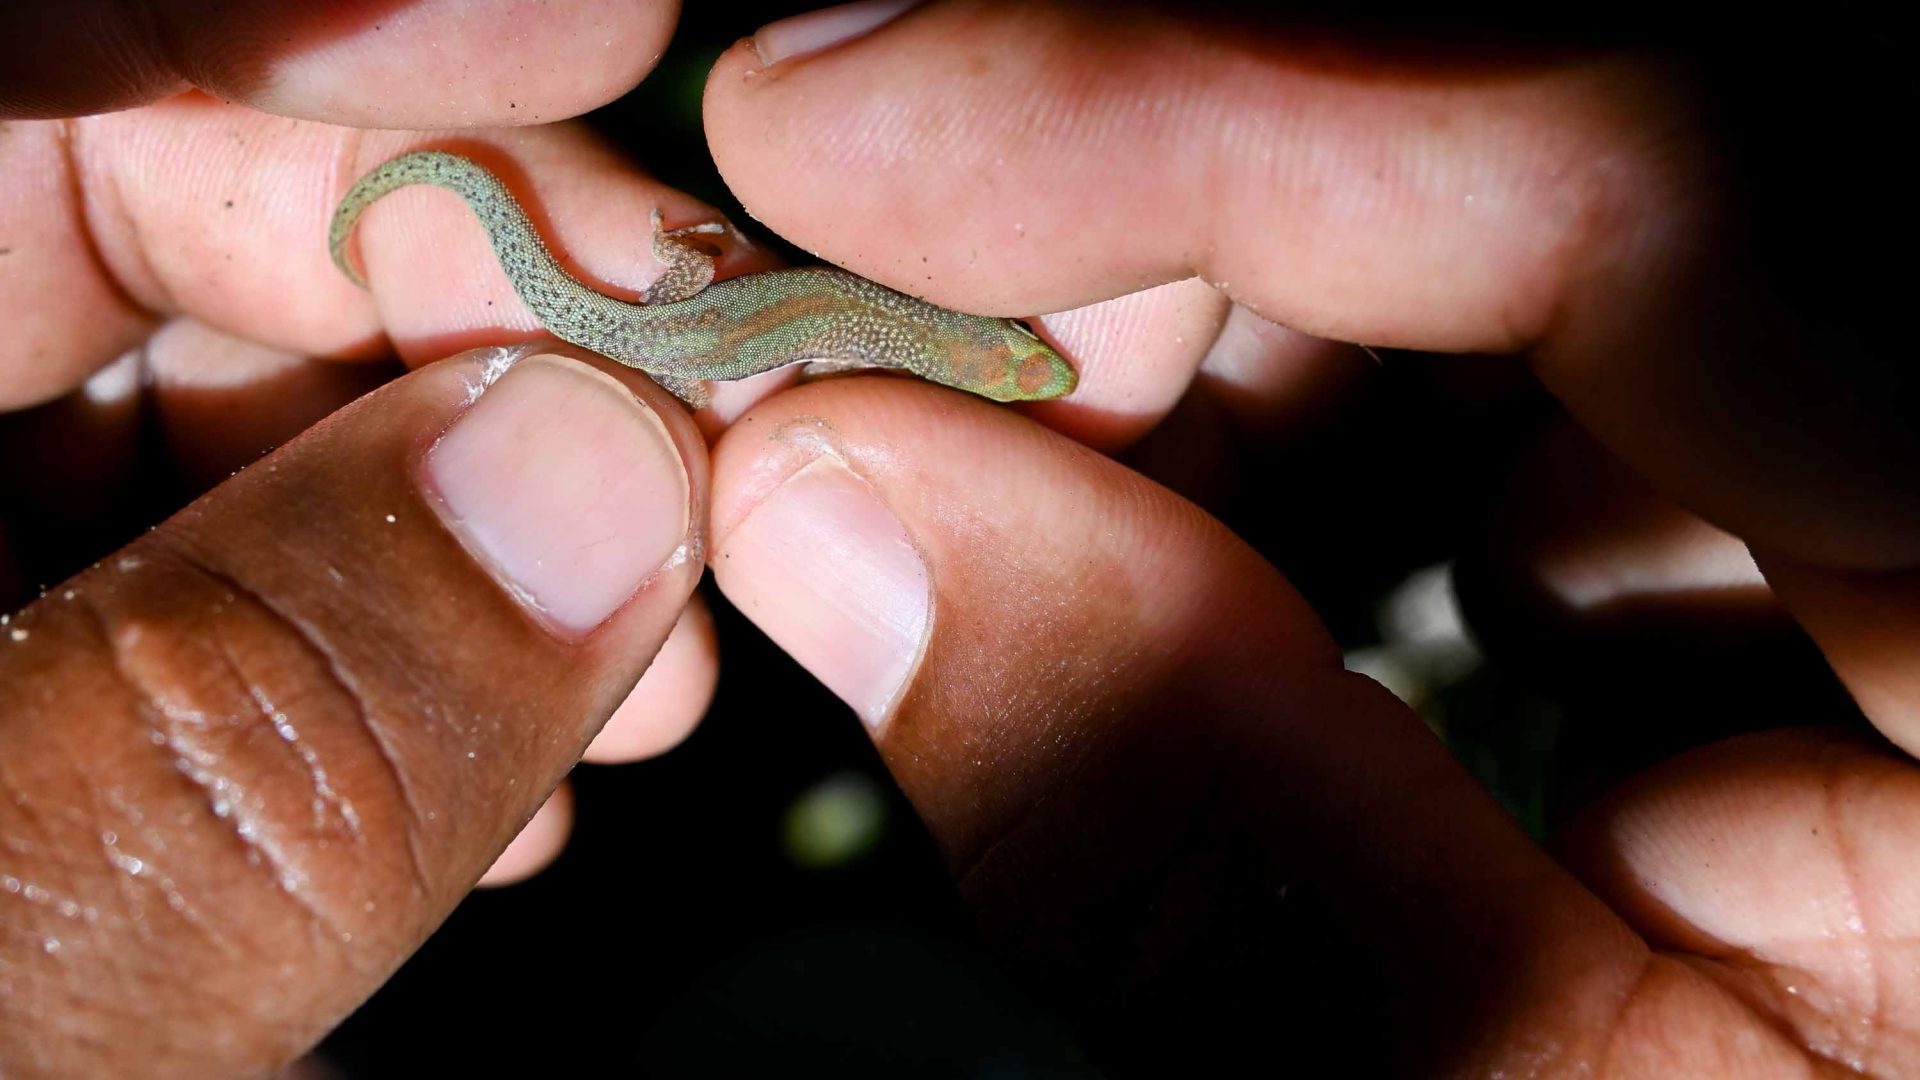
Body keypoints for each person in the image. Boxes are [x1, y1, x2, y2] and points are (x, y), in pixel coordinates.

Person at [1, 1, 1913, 1076]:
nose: (1011, 375)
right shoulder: (925, 349)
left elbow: (853, 319)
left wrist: (691, 292)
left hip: (677, 320)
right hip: (650, 345)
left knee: (559, 262)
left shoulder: (922, 335)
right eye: (1006, 373)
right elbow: (850, 331)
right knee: (547, 286)